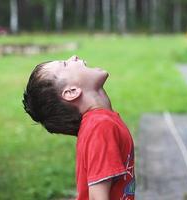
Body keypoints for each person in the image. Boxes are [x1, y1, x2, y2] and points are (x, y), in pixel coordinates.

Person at [22, 55, 135, 200]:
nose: (73, 57)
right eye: (65, 64)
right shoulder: (100, 126)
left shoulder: (99, 124)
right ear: (71, 92)